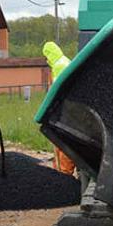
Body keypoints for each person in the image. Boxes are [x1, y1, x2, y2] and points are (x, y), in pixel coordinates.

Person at [42, 42, 76, 176]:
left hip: (62, 114)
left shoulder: (59, 66)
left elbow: (56, 92)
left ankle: (63, 176)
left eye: (46, 56)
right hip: (70, 113)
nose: (46, 60)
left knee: (61, 146)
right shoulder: (66, 61)